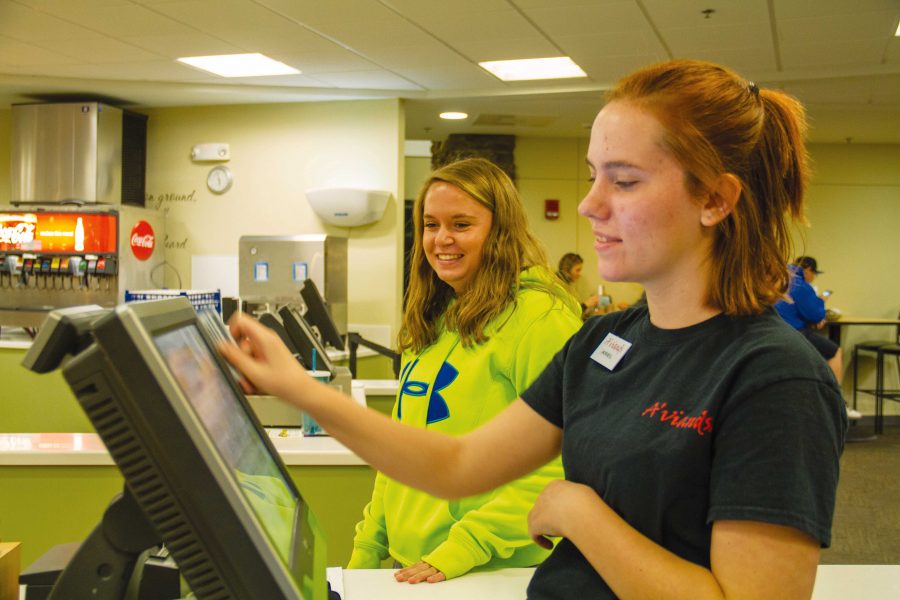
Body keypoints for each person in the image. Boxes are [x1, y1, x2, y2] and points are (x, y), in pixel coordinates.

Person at [221, 60, 847, 599]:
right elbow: (458, 464)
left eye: (623, 180)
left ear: (715, 199)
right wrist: (302, 391)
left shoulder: (773, 376)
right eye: (594, 173)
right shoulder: (605, 343)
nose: (589, 203)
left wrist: (580, 513)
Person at [365, 158, 587, 581]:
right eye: (431, 225)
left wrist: (465, 548)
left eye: (462, 225)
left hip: (493, 570)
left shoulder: (541, 318)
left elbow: (565, 462)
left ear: (500, 231)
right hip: (413, 566)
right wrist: (367, 546)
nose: (442, 239)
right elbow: (402, 451)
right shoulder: (432, 316)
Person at [775, 256, 861, 419]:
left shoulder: (779, 277)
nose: (813, 277)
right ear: (808, 270)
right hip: (792, 333)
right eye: (814, 274)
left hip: (774, 331)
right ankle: (836, 402)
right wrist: (820, 302)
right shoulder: (800, 283)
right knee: (835, 351)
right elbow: (815, 315)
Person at [556, 253, 599, 319]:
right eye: (577, 270)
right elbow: (568, 313)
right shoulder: (558, 286)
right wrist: (586, 304)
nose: (579, 274)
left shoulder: (565, 284)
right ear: (567, 269)